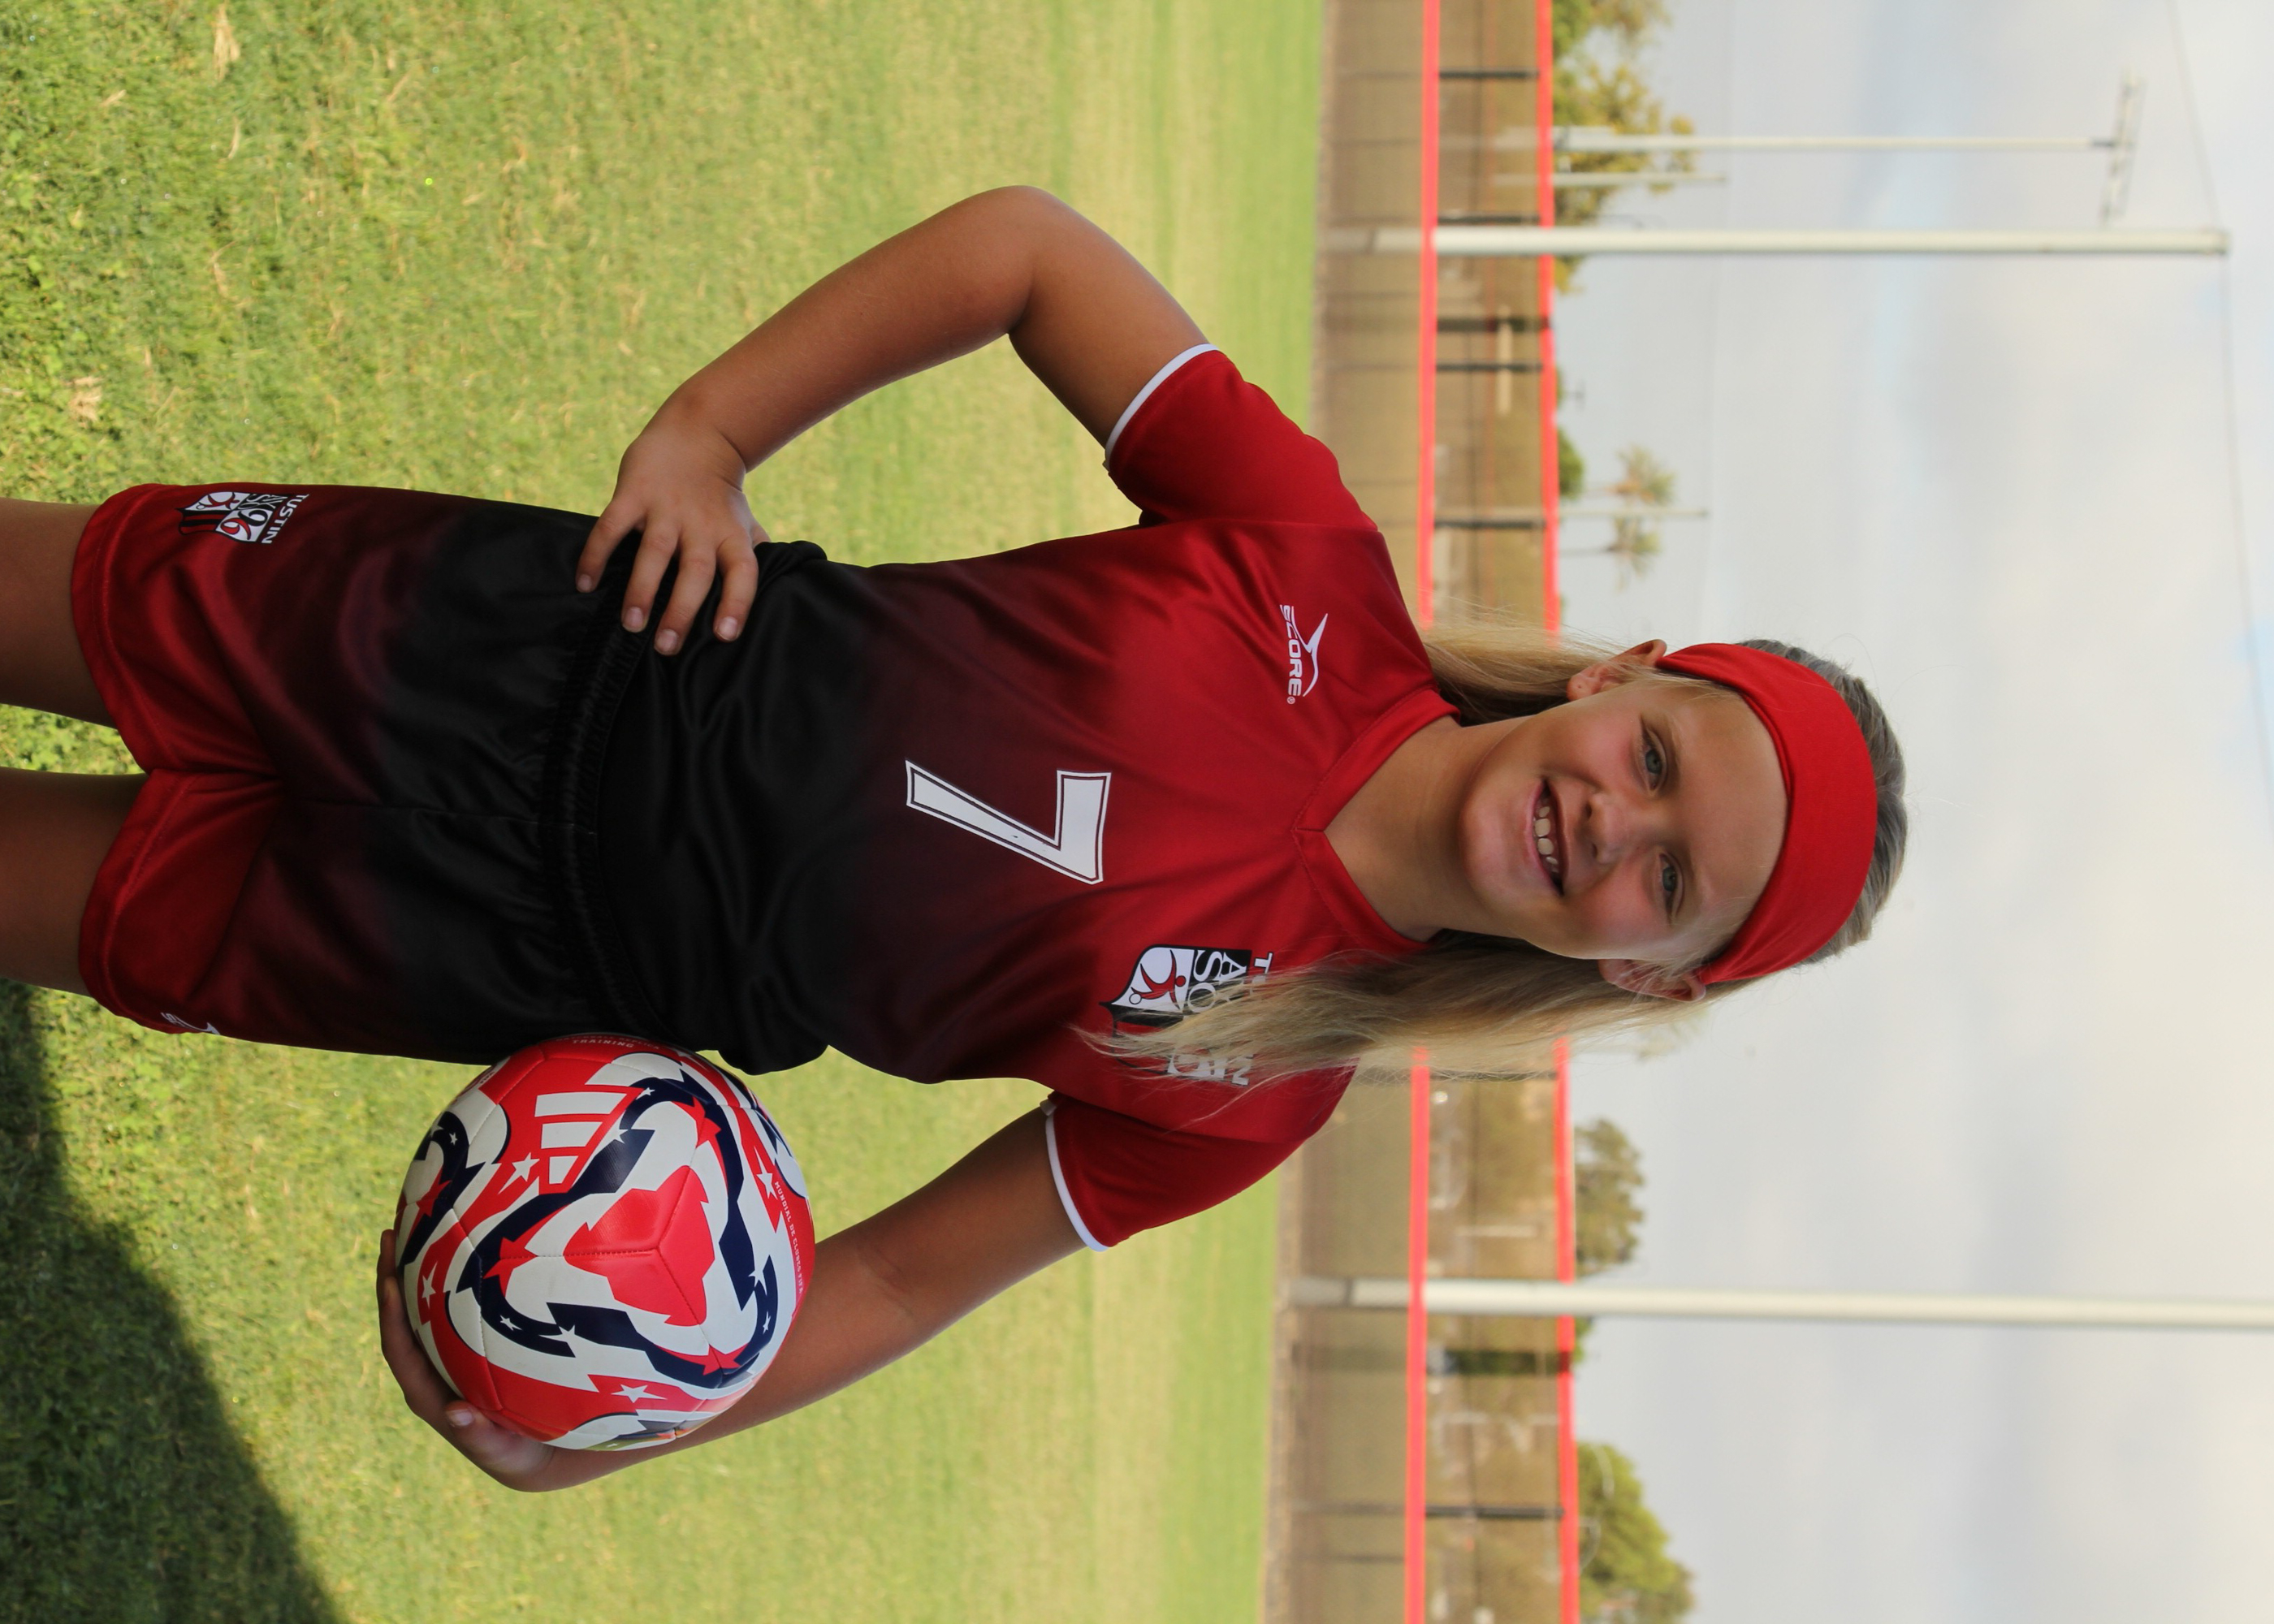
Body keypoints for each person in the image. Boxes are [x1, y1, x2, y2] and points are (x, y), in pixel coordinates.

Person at [0, 188, 1905, 1490]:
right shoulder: (1304, 562)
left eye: (1671, 879)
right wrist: (709, 432)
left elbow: (902, 1277)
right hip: (518, 641)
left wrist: (634, 1419)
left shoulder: (1260, 1087)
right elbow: (1024, 255)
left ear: (1641, 969)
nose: (1612, 820)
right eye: (1656, 756)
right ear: (1624, 674)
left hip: (487, 943)